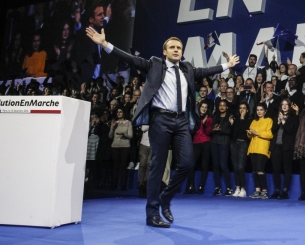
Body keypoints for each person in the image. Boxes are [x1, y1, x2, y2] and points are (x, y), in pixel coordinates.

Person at [85, 27, 239, 228]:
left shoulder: (187, 68)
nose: (176, 50)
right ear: (164, 52)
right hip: (161, 120)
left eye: (179, 48)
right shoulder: (155, 64)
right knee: (157, 167)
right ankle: (152, 213)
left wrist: (227, 65)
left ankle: (166, 197)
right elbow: (131, 59)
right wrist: (105, 44)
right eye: (172, 47)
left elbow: (206, 71)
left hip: (181, 121)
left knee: (187, 164)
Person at [270, 98, 299, 199]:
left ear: (290, 106)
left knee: (287, 168)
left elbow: (291, 131)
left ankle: (285, 191)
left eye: (286, 104)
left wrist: (283, 121)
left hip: (287, 147)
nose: (284, 106)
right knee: (276, 169)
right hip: (276, 146)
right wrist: (278, 122)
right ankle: (277, 190)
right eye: (283, 104)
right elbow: (273, 130)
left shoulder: (293, 117)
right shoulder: (276, 116)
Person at [247, 103, 274, 198]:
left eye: (261, 110)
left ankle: (264, 191)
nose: (259, 111)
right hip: (253, 148)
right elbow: (250, 136)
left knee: (260, 170)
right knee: (254, 170)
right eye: (257, 110)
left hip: (262, 148)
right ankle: (257, 190)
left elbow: (269, 135)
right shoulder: (254, 121)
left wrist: (257, 133)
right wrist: (250, 133)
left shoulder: (268, 120)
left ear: (265, 111)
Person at [187, 101, 212, 195]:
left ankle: (201, 186)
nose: (204, 109)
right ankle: (191, 185)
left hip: (206, 143)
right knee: (191, 164)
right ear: (199, 107)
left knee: (204, 165)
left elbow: (208, 132)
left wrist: (205, 124)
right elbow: (191, 131)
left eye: (205, 107)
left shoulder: (209, 119)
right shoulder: (194, 117)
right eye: (202, 107)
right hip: (196, 142)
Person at [210, 100, 233, 196]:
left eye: (224, 106)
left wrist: (220, 129)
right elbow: (210, 131)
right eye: (220, 105)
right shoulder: (215, 117)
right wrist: (214, 130)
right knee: (215, 165)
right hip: (214, 142)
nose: (222, 107)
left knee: (223, 165)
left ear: (227, 107)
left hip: (224, 142)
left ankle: (229, 188)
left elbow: (231, 131)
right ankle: (217, 188)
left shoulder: (230, 117)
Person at [229, 102, 252, 197]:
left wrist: (242, 119)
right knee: (235, 167)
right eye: (240, 108)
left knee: (240, 166)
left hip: (243, 143)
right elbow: (233, 133)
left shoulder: (249, 120)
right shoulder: (236, 120)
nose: (242, 110)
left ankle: (243, 189)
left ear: (247, 110)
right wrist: (231, 124)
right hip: (234, 143)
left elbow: (243, 131)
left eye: (244, 108)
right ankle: (237, 188)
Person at [109, 107, 133, 191]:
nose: (118, 113)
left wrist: (123, 134)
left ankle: (123, 186)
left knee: (123, 166)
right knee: (115, 167)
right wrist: (112, 127)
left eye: (120, 112)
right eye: (117, 112)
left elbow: (130, 136)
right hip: (115, 146)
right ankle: (114, 185)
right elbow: (110, 136)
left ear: (124, 113)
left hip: (125, 146)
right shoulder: (115, 123)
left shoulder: (128, 123)